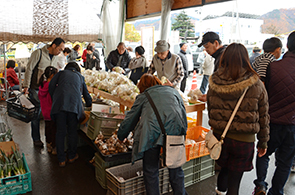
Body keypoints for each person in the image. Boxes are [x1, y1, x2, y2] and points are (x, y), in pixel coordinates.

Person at [207, 43, 269, 195]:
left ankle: (219, 192)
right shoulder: (256, 83)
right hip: (244, 140)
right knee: (235, 182)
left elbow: (211, 109)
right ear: (245, 59)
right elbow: (263, 115)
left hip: (220, 137)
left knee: (223, 170)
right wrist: (263, 141)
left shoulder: (214, 81)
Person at [117, 73, 187, 195]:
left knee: (150, 170)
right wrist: (182, 133)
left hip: (151, 134)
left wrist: (121, 135)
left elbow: (130, 119)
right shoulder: (173, 91)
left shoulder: (143, 96)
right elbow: (182, 112)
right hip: (175, 130)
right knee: (175, 168)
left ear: (141, 87)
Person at [253, 31, 295, 195]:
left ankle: (260, 185)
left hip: (270, 121)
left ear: (286, 46)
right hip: (292, 125)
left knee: (263, 153)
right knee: (285, 163)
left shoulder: (272, 66)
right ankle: (276, 191)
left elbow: (262, 94)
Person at [23, 37, 65, 147]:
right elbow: (29, 68)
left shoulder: (55, 57)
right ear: (54, 45)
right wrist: (26, 86)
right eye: (60, 49)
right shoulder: (39, 53)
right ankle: (36, 138)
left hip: (49, 89)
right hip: (36, 88)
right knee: (36, 114)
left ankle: (49, 139)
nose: (60, 52)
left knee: (48, 114)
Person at [49, 62, 92, 167]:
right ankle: (72, 156)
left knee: (60, 132)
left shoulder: (61, 73)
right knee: (72, 131)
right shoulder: (80, 77)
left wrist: (55, 97)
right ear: (77, 69)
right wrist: (90, 105)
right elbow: (86, 94)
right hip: (73, 106)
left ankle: (61, 160)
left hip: (60, 106)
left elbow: (51, 86)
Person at [38, 66, 58, 154]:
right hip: (52, 112)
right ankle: (54, 148)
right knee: (54, 130)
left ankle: (48, 145)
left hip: (45, 112)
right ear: (52, 75)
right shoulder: (52, 86)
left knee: (48, 129)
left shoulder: (42, 85)